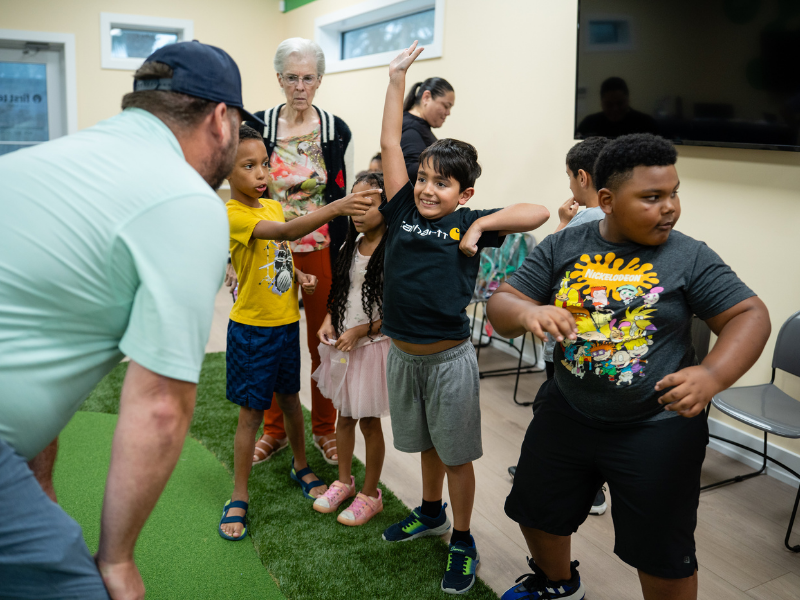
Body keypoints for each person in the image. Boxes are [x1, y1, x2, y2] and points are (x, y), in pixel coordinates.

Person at [0, 41, 255, 599]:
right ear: (220, 120)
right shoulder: (186, 201)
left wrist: (37, 478)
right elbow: (161, 406)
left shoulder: (44, 160)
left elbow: (34, 327)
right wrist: (116, 560)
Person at [488, 133, 770, 600]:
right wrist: (526, 312)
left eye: (674, 193)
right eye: (652, 197)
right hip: (568, 409)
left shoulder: (689, 254)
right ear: (607, 200)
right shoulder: (563, 246)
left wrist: (713, 375)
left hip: (656, 424)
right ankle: (559, 585)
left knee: (661, 550)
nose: (670, 208)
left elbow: (748, 314)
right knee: (536, 511)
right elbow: (504, 302)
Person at [378, 42, 551, 595]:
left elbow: (537, 212)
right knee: (425, 445)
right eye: (423, 177)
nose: (428, 189)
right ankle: (428, 512)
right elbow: (388, 142)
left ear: (464, 192)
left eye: (441, 183)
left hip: (449, 359)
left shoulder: (470, 219)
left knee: (456, 456)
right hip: (403, 355)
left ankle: (462, 536)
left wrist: (479, 226)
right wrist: (396, 78)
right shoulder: (404, 206)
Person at [219, 125, 376, 541]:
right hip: (253, 330)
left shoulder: (271, 206)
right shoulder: (235, 214)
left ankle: (301, 465)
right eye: (248, 166)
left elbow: (280, 252)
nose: (261, 174)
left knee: (291, 400)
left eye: (264, 165)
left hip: (286, 324)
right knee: (252, 415)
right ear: (225, 171)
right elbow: (288, 233)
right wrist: (337, 206)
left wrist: (300, 274)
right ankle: (238, 494)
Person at [243, 38, 354, 468]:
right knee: (274, 340)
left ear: (320, 80)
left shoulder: (334, 129)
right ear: (280, 79)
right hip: (271, 249)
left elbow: (339, 192)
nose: (300, 86)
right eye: (292, 77)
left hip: (321, 248)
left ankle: (324, 429)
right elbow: (247, 187)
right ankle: (274, 431)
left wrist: (347, 257)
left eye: (309, 78)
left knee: (321, 342)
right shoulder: (260, 125)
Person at [509, 137, 610, 514]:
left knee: (557, 411)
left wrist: (563, 224)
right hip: (600, 344)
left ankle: (583, 486)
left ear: (582, 176)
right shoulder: (612, 220)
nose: (569, 186)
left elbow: (539, 272)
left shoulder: (583, 223)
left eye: (570, 178)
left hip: (569, 344)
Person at [312, 172, 390, 527]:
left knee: (369, 422)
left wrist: (361, 331)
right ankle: (344, 481)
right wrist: (330, 319)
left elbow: (396, 315)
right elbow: (341, 292)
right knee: (344, 415)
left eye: (368, 204)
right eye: (354, 203)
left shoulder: (394, 251)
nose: (358, 211)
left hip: (372, 347)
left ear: (386, 207)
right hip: (345, 342)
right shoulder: (349, 244)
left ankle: (370, 494)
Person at [401, 76, 454, 182]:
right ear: (426, 97)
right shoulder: (410, 128)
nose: (448, 113)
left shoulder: (418, 126)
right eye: (445, 106)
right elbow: (410, 171)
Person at [576, 77, 658, 139]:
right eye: (609, 104)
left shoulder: (646, 124)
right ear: (601, 102)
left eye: (620, 103)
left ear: (628, 100)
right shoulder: (588, 124)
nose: (615, 109)